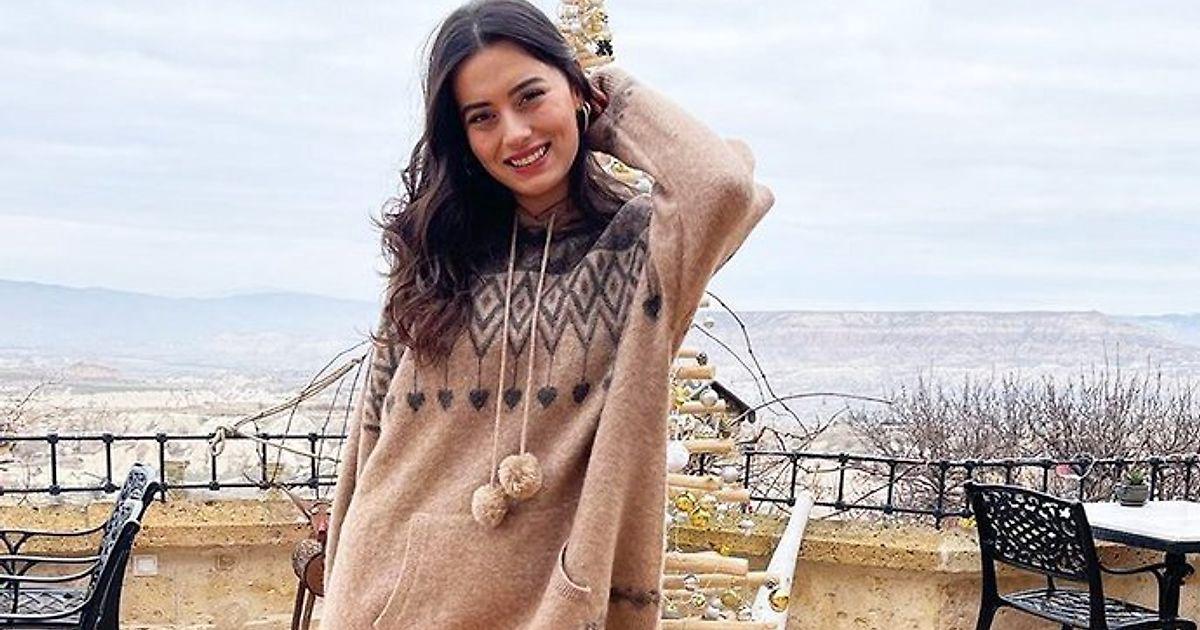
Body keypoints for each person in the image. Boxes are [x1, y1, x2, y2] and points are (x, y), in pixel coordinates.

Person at [322, 0, 775, 627]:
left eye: (531, 96)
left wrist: (610, 98)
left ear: (576, 90)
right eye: (482, 117)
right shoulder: (437, 254)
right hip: (385, 598)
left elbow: (719, 184)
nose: (514, 133)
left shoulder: (641, 251)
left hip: (552, 605)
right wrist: (340, 590)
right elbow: (371, 436)